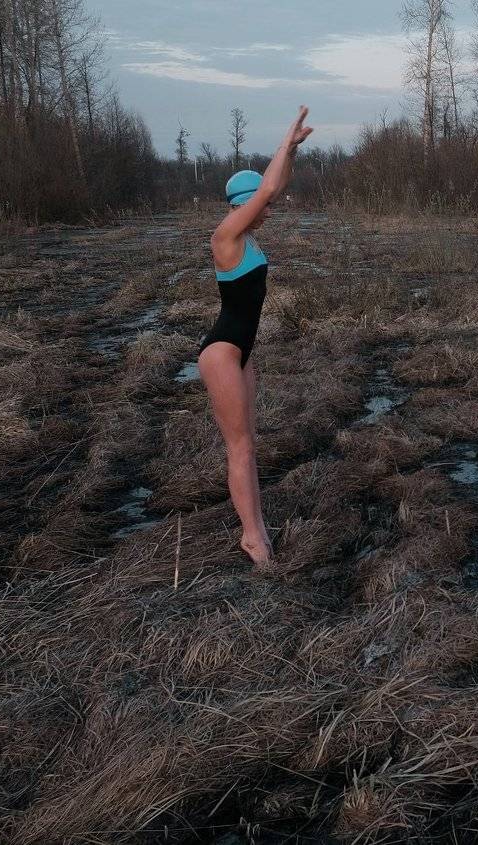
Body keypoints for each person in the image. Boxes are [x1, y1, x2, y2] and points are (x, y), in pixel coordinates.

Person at [197, 106, 313, 570]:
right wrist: (284, 142)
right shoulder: (225, 236)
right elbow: (267, 188)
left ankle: (258, 526)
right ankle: (252, 540)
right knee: (239, 447)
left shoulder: (250, 238)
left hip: (241, 354)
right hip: (221, 353)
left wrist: (291, 153)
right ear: (244, 206)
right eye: (262, 207)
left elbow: (274, 185)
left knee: (250, 444)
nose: (270, 209)